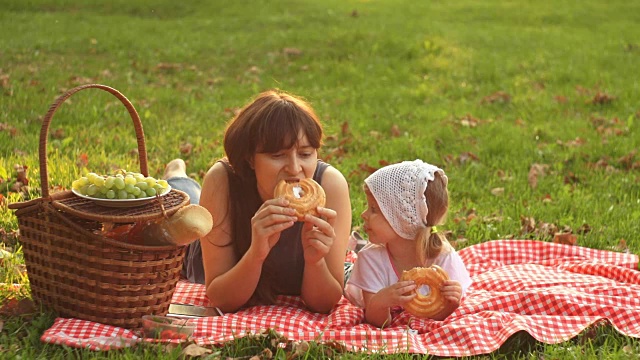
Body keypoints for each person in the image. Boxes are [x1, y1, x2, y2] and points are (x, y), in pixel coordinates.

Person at [163, 89, 352, 314]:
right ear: (250, 158)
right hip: (207, 249)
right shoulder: (223, 180)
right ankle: (176, 176)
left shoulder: (330, 187)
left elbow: (324, 305)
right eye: (277, 155)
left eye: (305, 154)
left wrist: (315, 261)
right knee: (186, 212)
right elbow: (221, 299)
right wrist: (256, 253)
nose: (294, 169)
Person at [344, 160, 472, 327]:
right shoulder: (370, 258)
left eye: (374, 209)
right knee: (345, 270)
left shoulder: (443, 257)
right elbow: (377, 322)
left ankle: (356, 242)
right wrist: (381, 301)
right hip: (350, 275)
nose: (363, 214)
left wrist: (451, 304)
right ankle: (352, 249)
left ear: (401, 219)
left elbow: (439, 316)